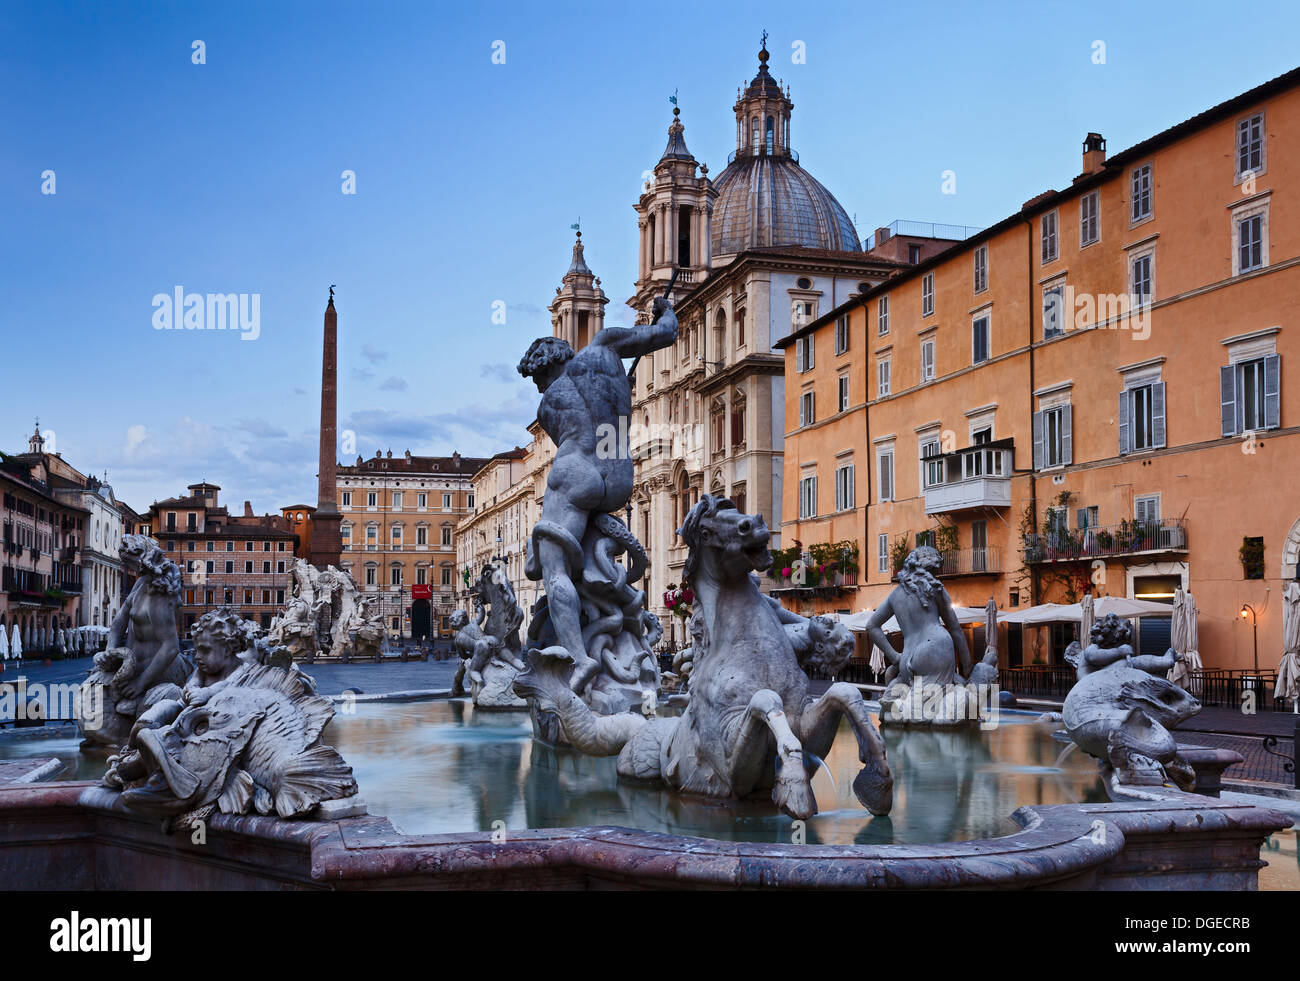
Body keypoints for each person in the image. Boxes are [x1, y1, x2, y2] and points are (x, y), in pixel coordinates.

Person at [517, 297, 678, 693]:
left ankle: (580, 658)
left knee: (553, 568)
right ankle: (602, 614)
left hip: (576, 472)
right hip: (619, 472)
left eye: (538, 377)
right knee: (583, 547)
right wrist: (665, 309)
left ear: (548, 364)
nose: (538, 386)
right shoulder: (605, 347)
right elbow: (665, 334)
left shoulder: (548, 404)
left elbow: (572, 438)